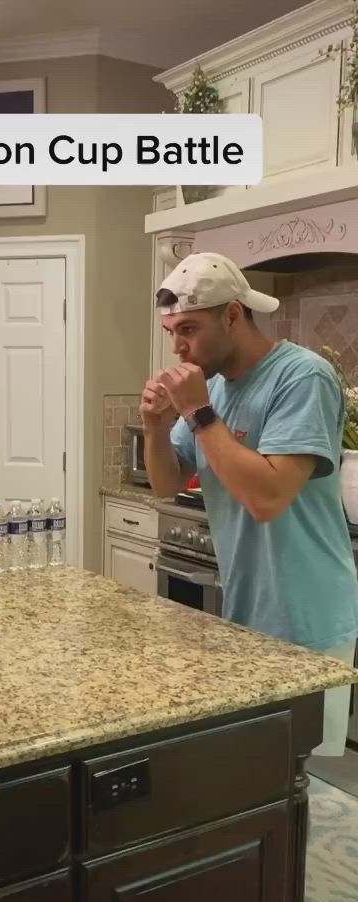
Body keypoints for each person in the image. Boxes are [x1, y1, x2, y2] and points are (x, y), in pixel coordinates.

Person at [140, 251, 358, 756]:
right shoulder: (214, 386)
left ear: (233, 314)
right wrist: (154, 426)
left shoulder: (303, 377)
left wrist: (196, 410)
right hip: (247, 611)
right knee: (259, 775)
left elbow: (268, 497)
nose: (179, 347)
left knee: (304, 780)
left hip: (308, 617)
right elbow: (166, 483)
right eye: (173, 332)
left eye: (189, 329)